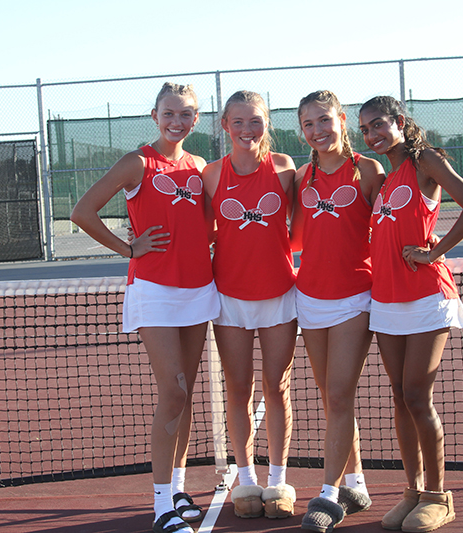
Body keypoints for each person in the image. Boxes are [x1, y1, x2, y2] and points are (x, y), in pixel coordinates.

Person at [70, 82, 219, 533]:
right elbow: (82, 211)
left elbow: (211, 224)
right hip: (154, 289)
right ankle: (159, 505)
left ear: (196, 119)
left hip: (199, 288)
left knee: (186, 392)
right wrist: (128, 248)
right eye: (170, 113)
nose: (178, 122)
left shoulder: (199, 166)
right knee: (172, 391)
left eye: (187, 114)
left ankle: (177, 487)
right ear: (155, 116)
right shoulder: (137, 162)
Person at [357, 96, 463, 533]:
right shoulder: (385, 175)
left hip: (428, 296)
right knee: (399, 397)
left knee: (416, 396)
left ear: (399, 122)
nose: (373, 134)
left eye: (379, 125)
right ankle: (411, 493)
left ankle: (437, 496)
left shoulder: (424, 161)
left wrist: (435, 251)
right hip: (386, 299)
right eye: (366, 130)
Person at [290, 90, 386, 533]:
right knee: (331, 398)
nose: (317, 131)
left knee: (341, 394)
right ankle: (356, 481)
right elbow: (291, 236)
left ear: (342, 120)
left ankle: (328, 496)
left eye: (324, 121)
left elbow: (391, 226)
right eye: (308, 125)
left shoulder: (369, 171)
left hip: (354, 298)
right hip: (309, 297)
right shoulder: (302, 177)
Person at [201, 90, 299, 519]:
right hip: (230, 298)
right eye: (237, 122)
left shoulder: (283, 168)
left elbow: (299, 228)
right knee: (238, 390)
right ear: (225, 126)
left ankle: (277, 481)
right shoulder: (210, 174)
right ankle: (246, 479)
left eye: (255, 121)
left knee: (277, 388)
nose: (246, 130)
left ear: (266, 124)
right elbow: (203, 232)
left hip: (280, 293)